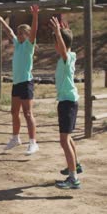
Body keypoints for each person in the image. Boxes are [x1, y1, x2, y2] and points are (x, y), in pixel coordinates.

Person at [0, 5, 40, 155]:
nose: (19, 35)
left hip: (27, 82)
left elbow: (34, 31)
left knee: (27, 113)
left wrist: (35, 16)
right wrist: (2, 20)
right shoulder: (17, 44)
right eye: (19, 33)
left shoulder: (28, 45)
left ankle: (33, 143)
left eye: (22, 33)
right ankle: (15, 138)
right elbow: (9, 32)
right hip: (16, 83)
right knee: (14, 111)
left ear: (27, 35)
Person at [49, 17, 82, 189]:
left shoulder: (66, 56)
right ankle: (75, 165)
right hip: (69, 101)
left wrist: (57, 32)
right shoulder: (71, 55)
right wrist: (65, 32)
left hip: (68, 102)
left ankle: (73, 179)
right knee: (68, 139)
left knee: (64, 140)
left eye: (56, 42)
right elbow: (66, 44)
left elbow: (63, 48)